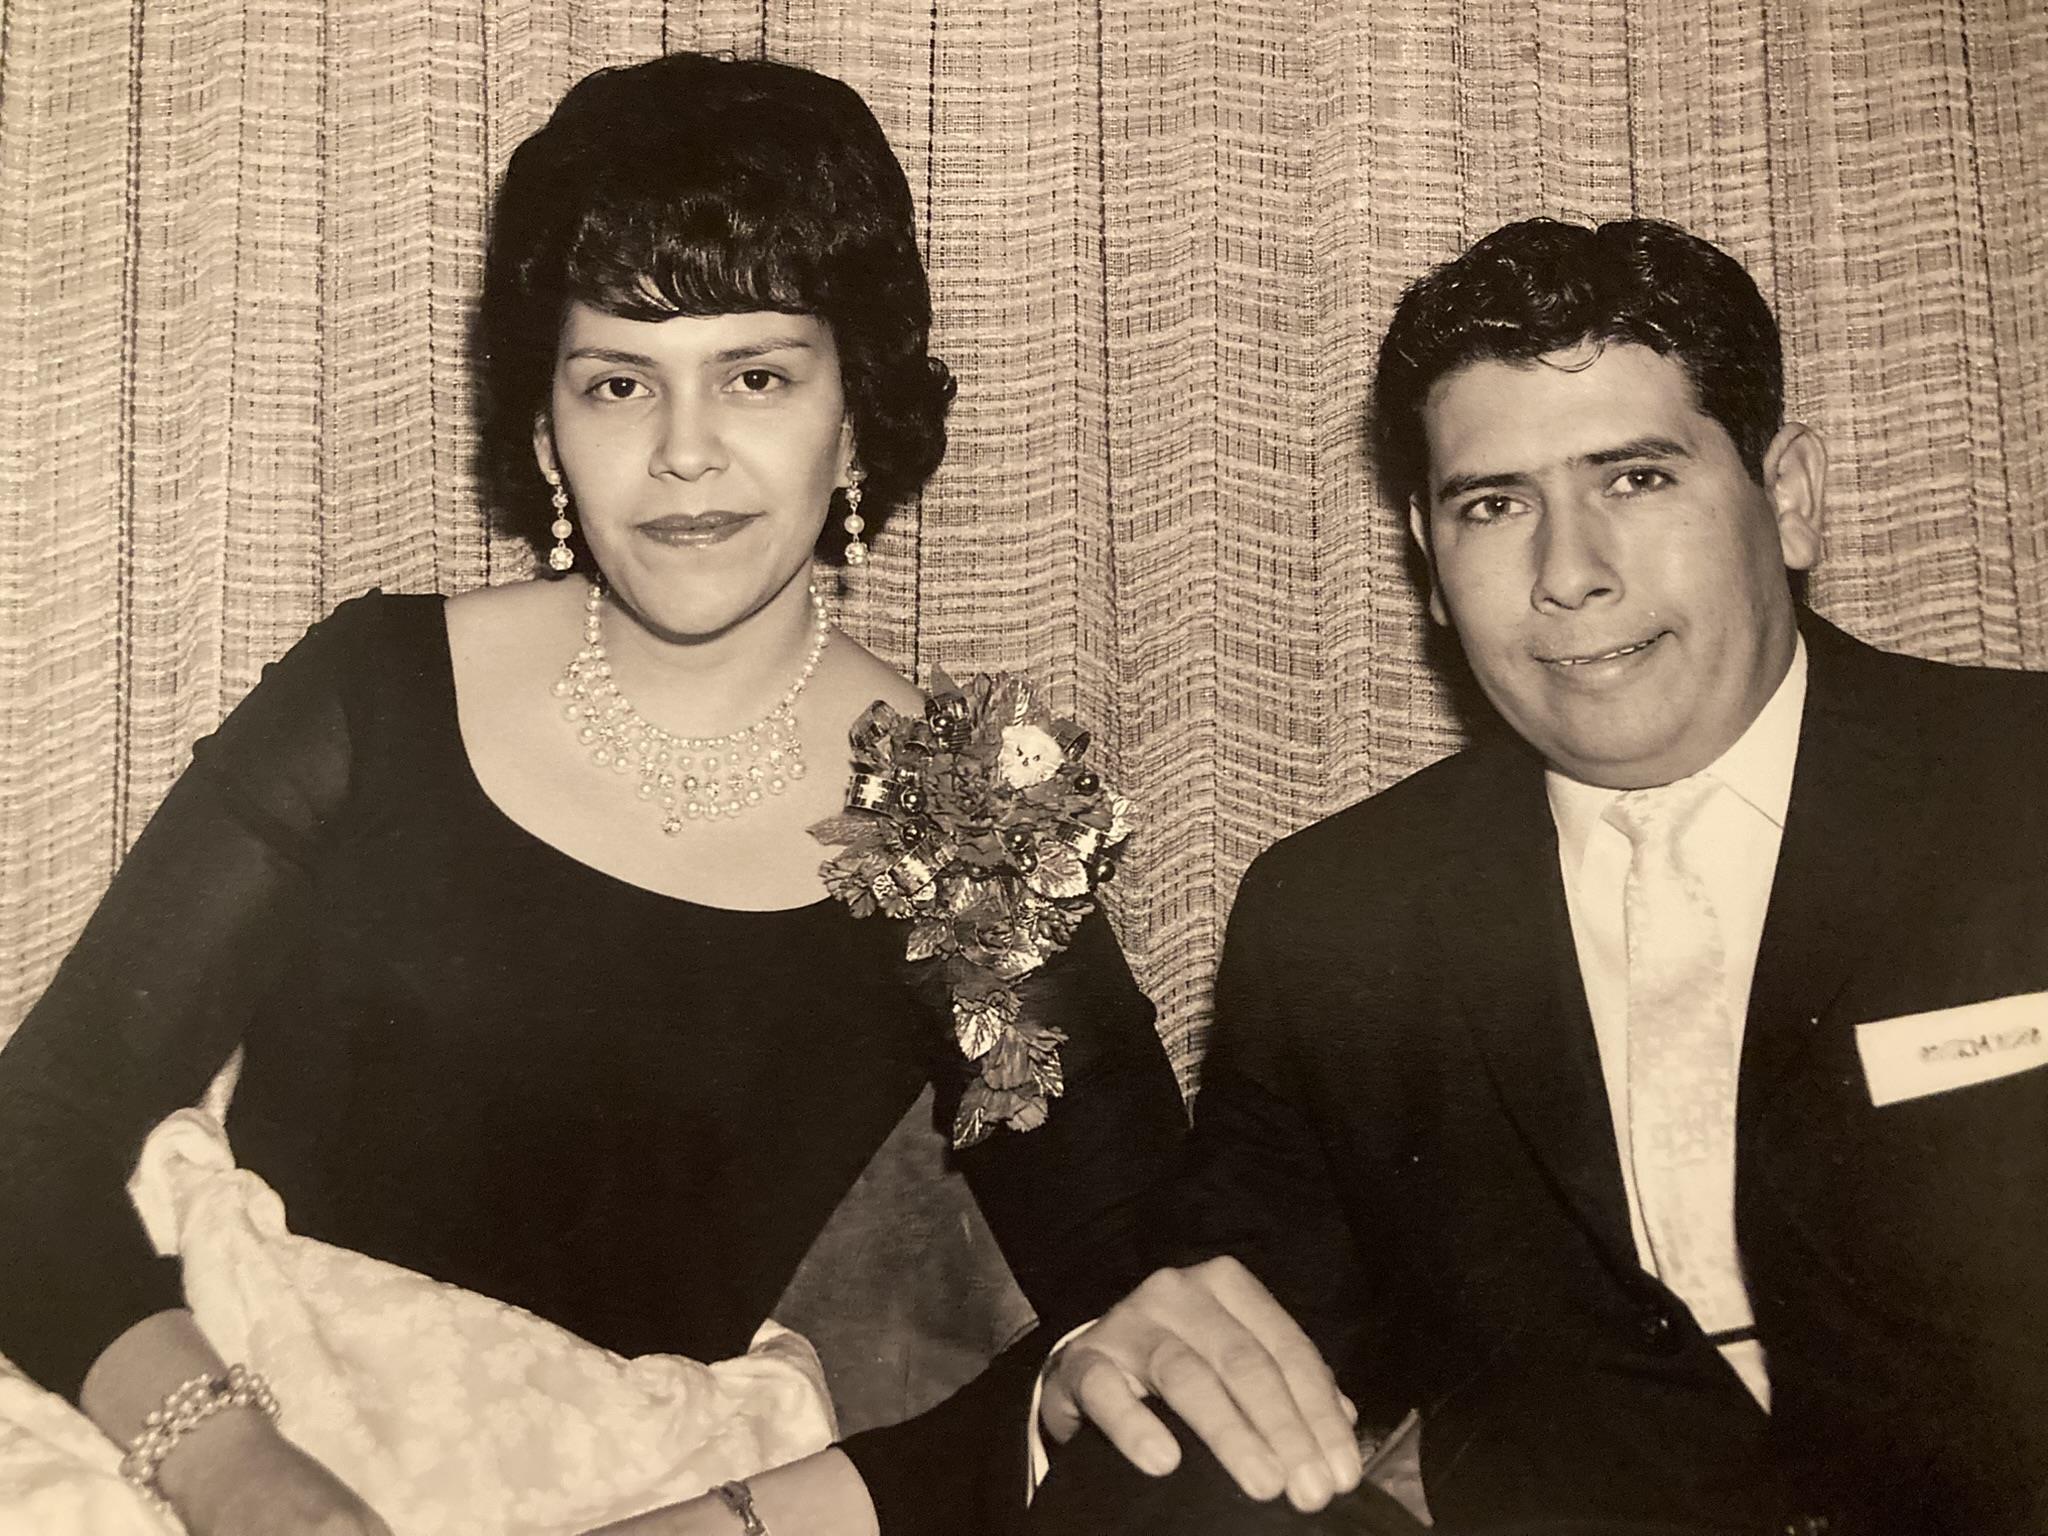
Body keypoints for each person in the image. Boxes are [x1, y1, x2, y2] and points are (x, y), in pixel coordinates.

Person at [0, 51, 1184, 1536]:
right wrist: (248, 1480)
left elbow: (1142, 1303)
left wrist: (764, 1518)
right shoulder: (375, 694)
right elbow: (36, 1133)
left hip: (634, 1499)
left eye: (757, 374)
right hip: (204, 1435)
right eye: (618, 381)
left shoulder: (970, 813)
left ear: (858, 410)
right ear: (550, 424)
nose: (684, 454)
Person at [1029, 218, 2048, 1535]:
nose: (1569, 576)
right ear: (1430, 559)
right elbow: (1247, 1363)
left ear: (1786, 498)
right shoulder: (1338, 918)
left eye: (1636, 480)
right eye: (1496, 505)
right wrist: (1134, 1357)